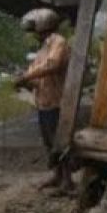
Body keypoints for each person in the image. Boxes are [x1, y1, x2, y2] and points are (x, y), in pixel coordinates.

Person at [15, 8, 69, 157]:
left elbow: (53, 64)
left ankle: (66, 178)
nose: (34, 33)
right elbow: (37, 81)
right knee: (49, 142)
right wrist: (24, 82)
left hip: (56, 102)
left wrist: (26, 76)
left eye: (35, 29)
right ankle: (57, 175)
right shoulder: (43, 49)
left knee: (59, 142)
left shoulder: (59, 42)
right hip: (44, 103)